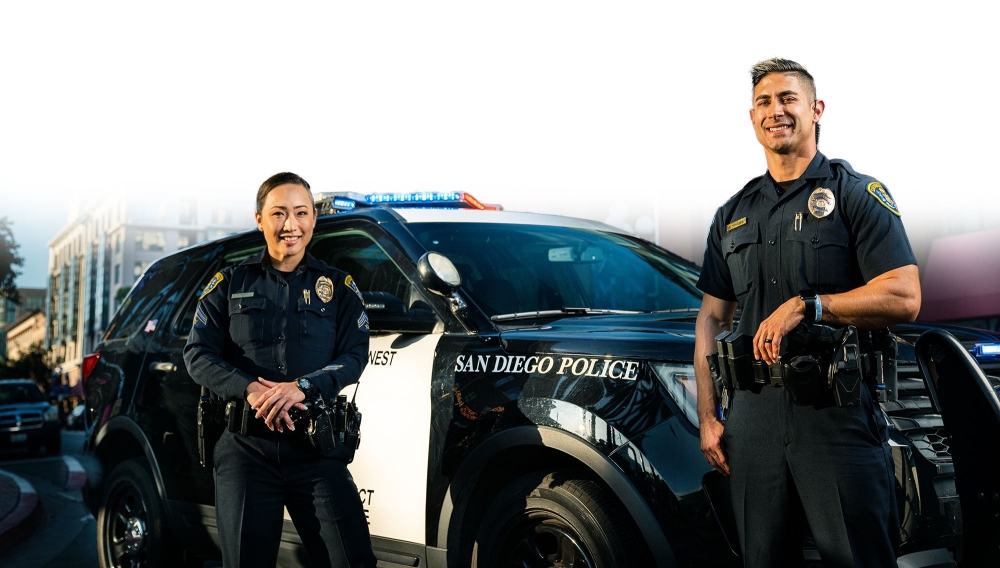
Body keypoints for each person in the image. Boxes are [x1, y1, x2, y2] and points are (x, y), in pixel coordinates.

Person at [693, 58, 921, 568]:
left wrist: (810, 306)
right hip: (751, 418)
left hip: (834, 413)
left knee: (857, 557)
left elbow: (904, 295)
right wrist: (709, 418)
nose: (776, 111)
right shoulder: (731, 214)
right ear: (752, 118)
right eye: (765, 102)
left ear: (816, 109)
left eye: (788, 99)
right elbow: (711, 317)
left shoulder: (854, 194)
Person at [183, 172, 377, 567]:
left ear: (313, 220)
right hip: (245, 450)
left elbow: (355, 354)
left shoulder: (339, 286)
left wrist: (302, 387)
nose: (291, 225)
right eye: (279, 213)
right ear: (259, 220)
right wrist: (250, 389)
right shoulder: (229, 282)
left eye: (301, 213)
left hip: (316, 451)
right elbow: (198, 355)